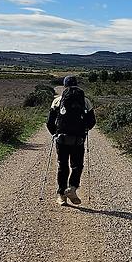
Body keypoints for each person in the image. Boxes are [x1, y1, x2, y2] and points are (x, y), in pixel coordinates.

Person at [46, 74, 96, 206]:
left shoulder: (57, 101)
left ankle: (61, 195)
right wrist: (83, 132)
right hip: (78, 139)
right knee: (77, 165)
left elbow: (50, 122)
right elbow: (92, 121)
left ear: (64, 86)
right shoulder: (85, 101)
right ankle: (72, 188)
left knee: (62, 166)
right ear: (77, 85)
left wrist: (55, 134)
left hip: (61, 139)